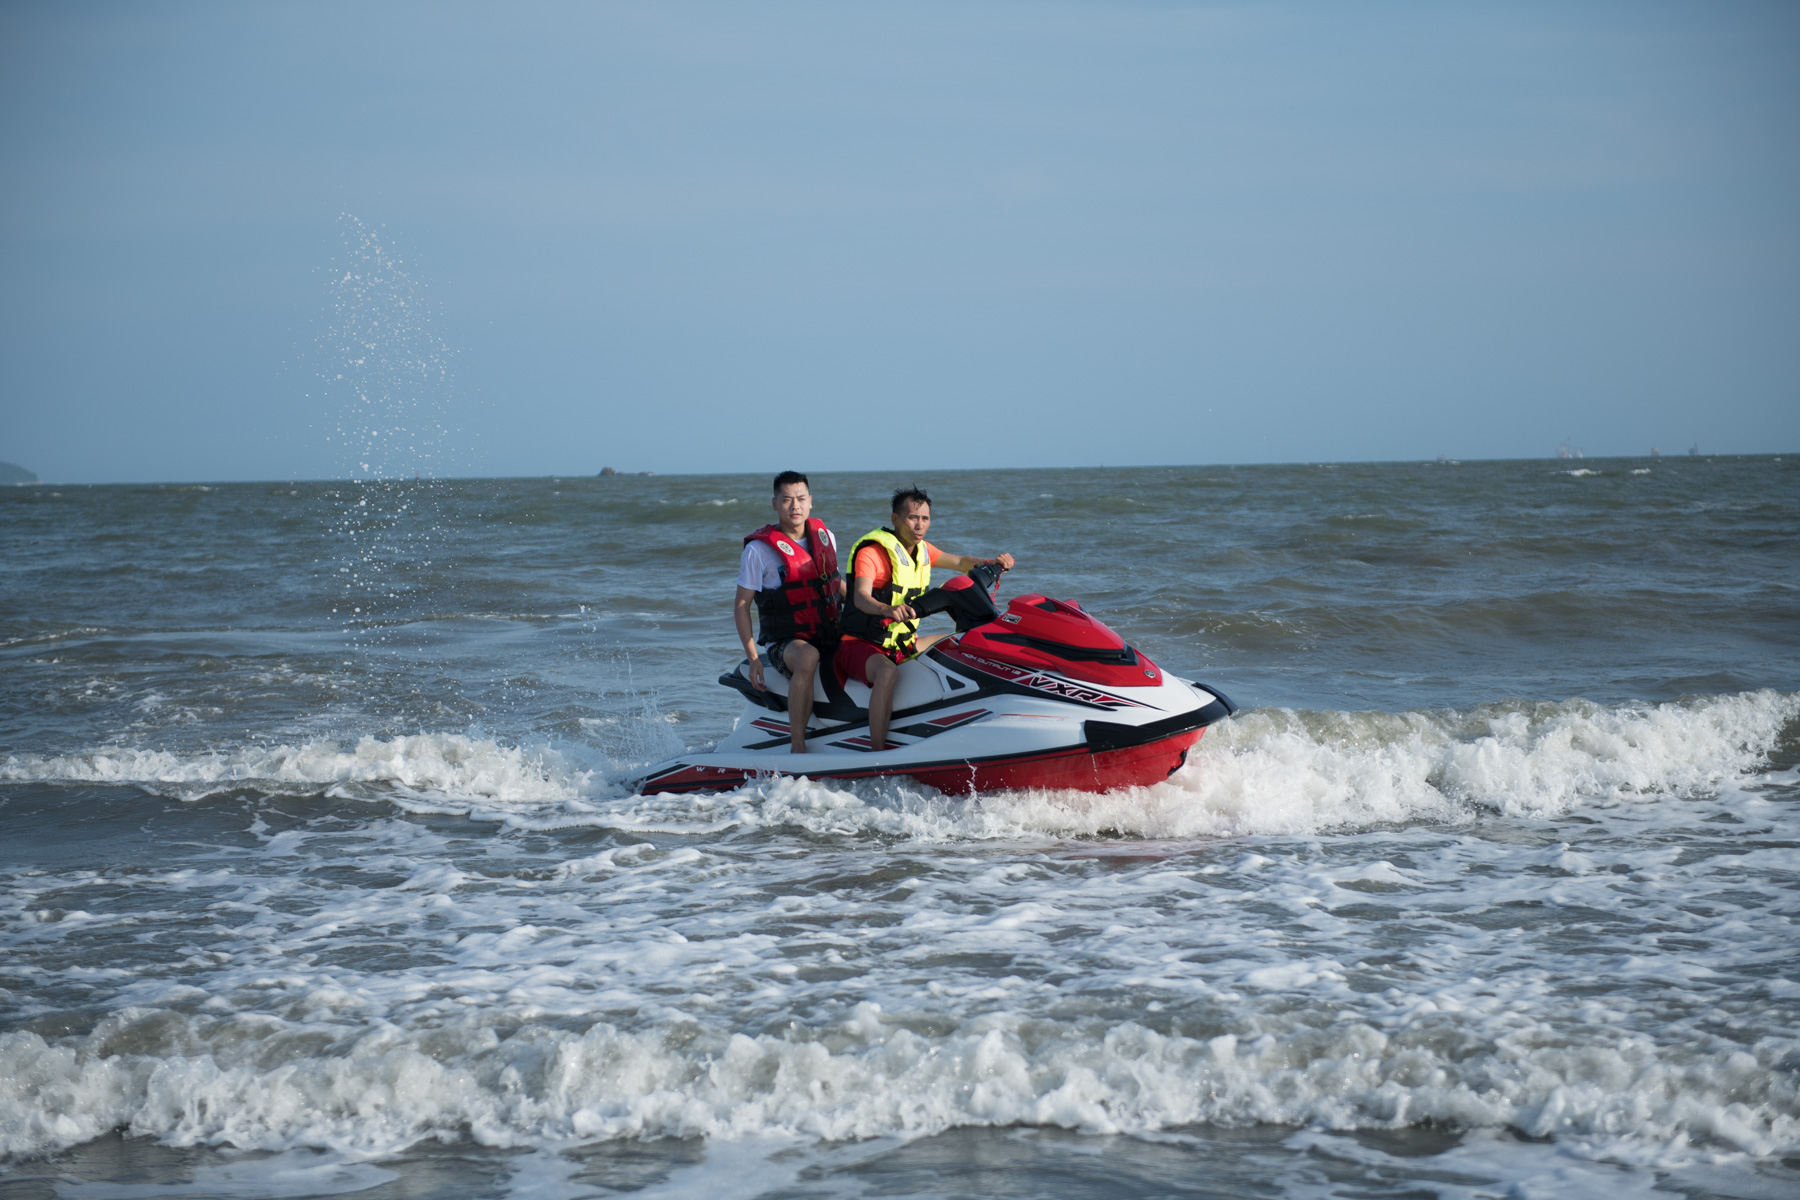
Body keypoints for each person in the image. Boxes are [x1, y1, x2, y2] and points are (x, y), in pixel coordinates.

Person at [836, 486, 1015, 750]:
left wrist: (994, 563)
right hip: (860, 643)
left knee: (959, 641)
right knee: (886, 673)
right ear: (895, 519)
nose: (920, 525)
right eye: (912, 517)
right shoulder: (872, 553)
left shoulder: (923, 551)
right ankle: (877, 753)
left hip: (902, 644)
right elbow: (860, 597)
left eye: (925, 519)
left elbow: (960, 562)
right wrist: (886, 609)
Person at [735, 471, 845, 753]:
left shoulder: (826, 537)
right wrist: (753, 658)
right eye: (786, 500)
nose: (794, 506)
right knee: (808, 656)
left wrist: (875, 608)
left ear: (811, 502)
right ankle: (798, 746)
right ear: (775, 504)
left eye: (800, 499)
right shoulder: (759, 550)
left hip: (828, 629)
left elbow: (833, 583)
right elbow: (742, 606)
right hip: (786, 642)